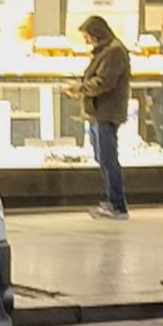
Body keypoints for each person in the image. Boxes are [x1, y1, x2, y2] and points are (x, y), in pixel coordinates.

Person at [62, 16, 131, 220]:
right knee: (102, 157)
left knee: (108, 158)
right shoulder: (106, 51)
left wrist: (79, 88)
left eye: (87, 36)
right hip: (98, 112)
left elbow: (105, 82)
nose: (86, 41)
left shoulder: (114, 52)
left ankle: (117, 204)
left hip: (106, 112)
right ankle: (111, 199)